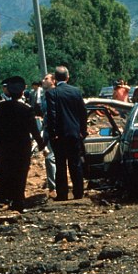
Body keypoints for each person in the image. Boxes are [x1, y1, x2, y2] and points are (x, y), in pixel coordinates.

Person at [0, 76, 43, 210]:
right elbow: (34, 129)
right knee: (20, 172)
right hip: (21, 146)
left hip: (4, 145)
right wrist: (41, 143)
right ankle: (18, 200)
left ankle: (3, 198)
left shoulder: (0, 107)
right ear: (23, 91)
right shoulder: (26, 109)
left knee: (4, 169)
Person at [45, 66, 88, 201]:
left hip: (59, 135)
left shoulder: (52, 93)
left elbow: (52, 115)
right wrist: (82, 131)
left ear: (55, 79)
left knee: (61, 165)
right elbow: (83, 112)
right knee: (75, 164)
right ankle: (78, 193)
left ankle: (62, 194)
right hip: (74, 134)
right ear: (67, 77)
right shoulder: (76, 92)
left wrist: (53, 133)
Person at [40, 73, 57, 198]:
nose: (43, 80)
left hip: (53, 130)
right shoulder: (44, 95)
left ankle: (53, 187)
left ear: (53, 81)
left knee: (50, 157)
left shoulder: (55, 94)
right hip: (46, 129)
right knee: (48, 156)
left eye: (46, 79)